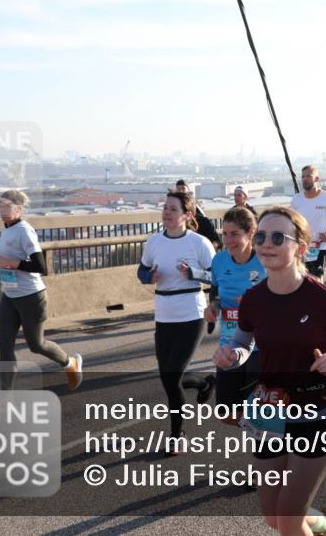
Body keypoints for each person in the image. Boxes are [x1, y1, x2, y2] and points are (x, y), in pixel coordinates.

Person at [214, 206, 326, 536]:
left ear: (302, 247)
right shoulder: (252, 299)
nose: (267, 244)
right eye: (262, 236)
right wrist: (231, 356)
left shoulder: (324, 300)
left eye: (279, 237)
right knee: (274, 517)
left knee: (289, 520)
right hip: (269, 412)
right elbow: (242, 344)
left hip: (314, 411)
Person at [137, 190, 216, 453]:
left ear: (187, 215)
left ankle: (177, 433)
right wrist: (149, 277)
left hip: (191, 313)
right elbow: (142, 269)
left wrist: (193, 273)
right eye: (165, 208)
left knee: (171, 378)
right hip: (164, 312)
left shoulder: (198, 243)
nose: (166, 213)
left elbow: (217, 276)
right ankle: (204, 383)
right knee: (168, 376)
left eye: (172, 209)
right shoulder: (154, 242)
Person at [0, 189, 82, 391]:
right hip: (10, 295)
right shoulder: (6, 229)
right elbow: (12, 260)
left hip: (31, 297)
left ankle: (69, 363)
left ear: (19, 208)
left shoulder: (24, 230)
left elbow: (41, 267)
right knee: (5, 347)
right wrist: (0, 262)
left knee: (36, 345)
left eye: (6, 205)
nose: (1, 209)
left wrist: (12, 263)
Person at [183, 206, 265, 416]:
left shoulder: (265, 262)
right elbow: (217, 295)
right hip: (229, 345)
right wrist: (213, 307)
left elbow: (282, 302)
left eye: (235, 234)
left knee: (259, 413)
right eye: (225, 234)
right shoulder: (219, 260)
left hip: (261, 347)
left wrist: (253, 305)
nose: (228, 240)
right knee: (227, 413)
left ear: (251, 233)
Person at [290, 165, 326, 282]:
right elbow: (291, 221)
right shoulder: (296, 199)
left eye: (308, 176)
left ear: (317, 179)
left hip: (322, 245)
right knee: (304, 278)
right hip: (305, 246)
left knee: (316, 278)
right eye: (303, 177)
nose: (305, 179)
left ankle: (320, 299)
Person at [176, 179, 222, 249]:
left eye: (183, 188)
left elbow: (218, 242)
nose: (180, 191)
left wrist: (206, 249)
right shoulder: (174, 224)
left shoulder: (203, 221)